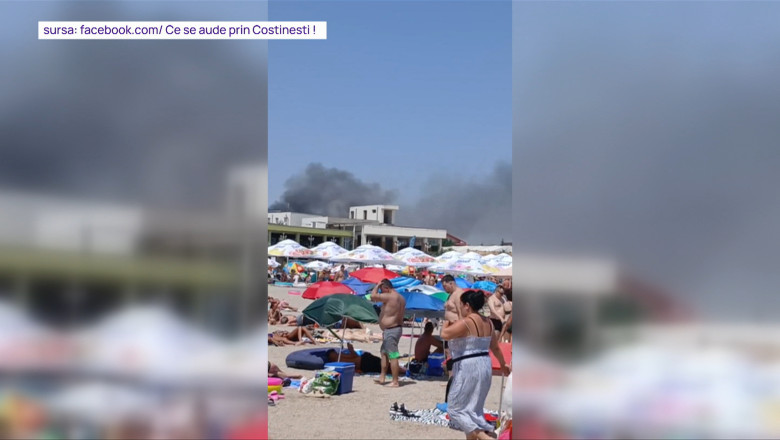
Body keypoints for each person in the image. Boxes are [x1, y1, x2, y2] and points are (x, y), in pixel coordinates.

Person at [441, 290, 510, 440]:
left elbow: (445, 334)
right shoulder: (489, 322)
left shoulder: (467, 321)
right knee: (473, 409)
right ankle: (477, 435)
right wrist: (503, 364)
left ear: (467, 305)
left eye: (461, 305)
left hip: (468, 365)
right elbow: (495, 347)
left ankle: (485, 437)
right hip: (484, 364)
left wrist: (446, 322)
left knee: (455, 409)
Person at [369, 278, 406, 387]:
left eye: (382, 289)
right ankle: (382, 377)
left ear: (386, 288)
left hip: (392, 329)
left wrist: (377, 285)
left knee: (393, 355)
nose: (381, 292)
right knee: (384, 353)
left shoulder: (390, 296)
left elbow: (372, 296)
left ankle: (395, 381)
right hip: (393, 329)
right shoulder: (401, 298)